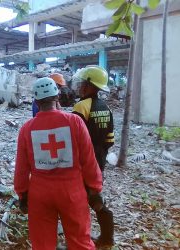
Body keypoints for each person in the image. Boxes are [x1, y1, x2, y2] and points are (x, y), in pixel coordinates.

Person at [14, 77, 103, 250]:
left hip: (40, 194)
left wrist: (22, 194)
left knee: (42, 244)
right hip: (72, 191)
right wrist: (95, 189)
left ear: (36, 101)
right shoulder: (74, 122)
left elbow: (22, 168)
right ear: (57, 97)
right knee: (80, 242)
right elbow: (89, 159)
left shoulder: (27, 128)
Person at [72, 65, 115, 247]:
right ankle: (107, 237)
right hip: (100, 160)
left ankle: (80, 239)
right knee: (95, 195)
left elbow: (73, 137)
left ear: (89, 86)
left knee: (81, 199)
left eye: (82, 83)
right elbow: (110, 139)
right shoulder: (105, 107)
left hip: (83, 161)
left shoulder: (81, 106)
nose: (80, 86)